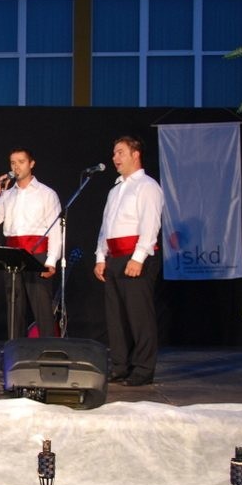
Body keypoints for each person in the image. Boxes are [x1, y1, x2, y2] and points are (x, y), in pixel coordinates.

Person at [93, 135, 164, 387]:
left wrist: (138, 257)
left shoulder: (147, 186)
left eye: (120, 152)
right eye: (114, 153)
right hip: (114, 258)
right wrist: (100, 257)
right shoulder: (115, 190)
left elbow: (150, 225)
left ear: (136, 154)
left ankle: (143, 369)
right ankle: (120, 366)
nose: (115, 158)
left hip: (135, 257)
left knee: (139, 315)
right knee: (116, 317)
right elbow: (106, 227)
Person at [0, 147, 61, 338]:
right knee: (14, 306)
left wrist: (51, 260)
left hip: (37, 253)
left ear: (31, 164)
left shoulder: (46, 193)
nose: (16, 167)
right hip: (12, 254)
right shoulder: (7, 194)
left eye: (21, 162)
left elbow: (55, 229)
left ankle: (48, 348)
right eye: (13, 163)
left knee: (42, 306)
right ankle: (16, 349)